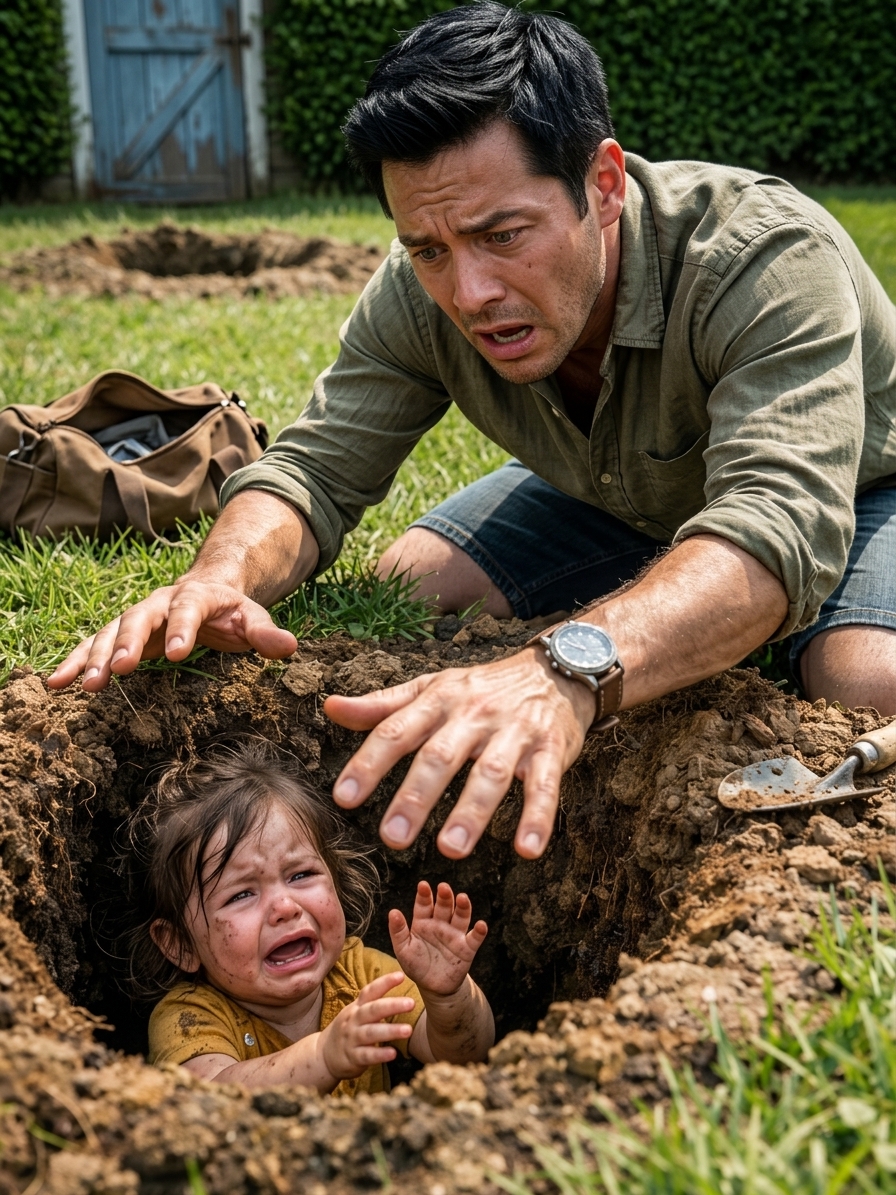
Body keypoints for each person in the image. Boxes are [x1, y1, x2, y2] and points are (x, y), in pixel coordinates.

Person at [51, 4, 896, 865]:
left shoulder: (765, 259)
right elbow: (313, 468)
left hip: (860, 491)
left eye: (503, 235)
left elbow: (776, 522)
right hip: (613, 494)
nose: (470, 291)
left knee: (865, 680)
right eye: (429, 249)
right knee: (408, 585)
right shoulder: (423, 282)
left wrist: (564, 669)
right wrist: (218, 577)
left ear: (602, 184)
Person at [125, 742, 494, 1096]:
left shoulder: (360, 973)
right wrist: (322, 1058)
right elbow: (210, 1100)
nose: (285, 906)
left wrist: (447, 996)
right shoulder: (189, 1014)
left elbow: (463, 1058)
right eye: (241, 894)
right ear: (179, 944)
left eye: (300, 875)